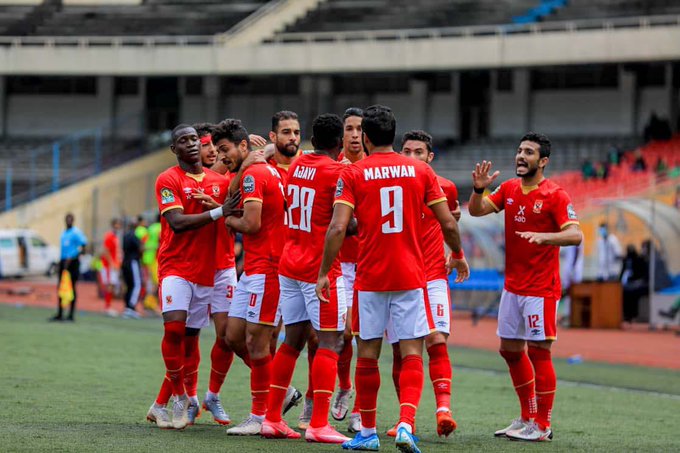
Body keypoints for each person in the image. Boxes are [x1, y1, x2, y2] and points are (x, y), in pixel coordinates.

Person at [316, 105, 469, 452]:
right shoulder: (420, 170)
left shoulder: (353, 173)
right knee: (413, 351)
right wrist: (458, 254)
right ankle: (405, 424)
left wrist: (324, 271)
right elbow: (448, 222)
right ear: (394, 136)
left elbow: (338, 227)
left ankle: (368, 432)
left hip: (370, 277)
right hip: (411, 275)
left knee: (368, 353)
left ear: (366, 138)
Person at [468, 132, 583, 442]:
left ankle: (542, 426)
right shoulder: (508, 188)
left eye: (529, 152)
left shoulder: (555, 195)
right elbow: (476, 210)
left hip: (541, 289)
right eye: (520, 150)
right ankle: (526, 417)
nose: (521, 156)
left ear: (543, 161)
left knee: (539, 352)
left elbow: (575, 235)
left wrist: (547, 237)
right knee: (509, 350)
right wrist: (478, 189)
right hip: (513, 286)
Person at [260, 113, 351, 443]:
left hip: (290, 264)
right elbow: (341, 225)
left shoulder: (298, 164)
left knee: (292, 341)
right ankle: (319, 424)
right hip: (318, 269)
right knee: (330, 342)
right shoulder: (337, 172)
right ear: (340, 141)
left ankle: (272, 418)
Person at [145, 124, 241, 430]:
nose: (193, 145)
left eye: (195, 140)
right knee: (175, 330)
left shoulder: (220, 182)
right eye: (184, 141)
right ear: (174, 149)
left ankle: (207, 396)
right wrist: (219, 212)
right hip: (176, 266)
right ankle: (180, 397)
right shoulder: (168, 179)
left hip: (212, 270)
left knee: (219, 337)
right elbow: (176, 222)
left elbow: (242, 207)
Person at [386, 129, 462, 438]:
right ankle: (407, 419)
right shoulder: (389, 185)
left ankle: (444, 410)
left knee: (436, 339)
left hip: (432, 275)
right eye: (407, 151)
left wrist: (458, 254)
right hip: (400, 278)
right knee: (400, 351)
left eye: (419, 152)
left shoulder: (446, 187)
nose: (412, 157)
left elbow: (450, 223)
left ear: (430, 156)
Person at [222, 119, 289, 436]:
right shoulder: (261, 170)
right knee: (233, 336)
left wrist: (228, 219)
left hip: (269, 268)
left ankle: (260, 415)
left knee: (257, 343)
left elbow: (251, 224)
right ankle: (280, 394)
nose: (222, 157)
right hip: (254, 268)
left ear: (243, 146)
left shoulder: (255, 174)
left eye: (225, 150)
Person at [331, 107, 364, 432]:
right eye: (349, 128)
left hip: (371, 263)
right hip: (339, 264)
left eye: (359, 129)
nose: (355, 134)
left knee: (365, 337)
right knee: (341, 334)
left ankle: (360, 409)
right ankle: (343, 386)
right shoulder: (333, 167)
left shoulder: (376, 167)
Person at [50, 213, 88, 322]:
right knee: (61, 288)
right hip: (63, 262)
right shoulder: (64, 233)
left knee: (72, 288)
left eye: (71, 219)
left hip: (73, 263)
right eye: (67, 219)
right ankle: (60, 314)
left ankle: (71, 315)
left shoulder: (76, 232)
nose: (69, 221)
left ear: (73, 221)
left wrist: (73, 256)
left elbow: (84, 247)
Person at [121, 221, 143, 319]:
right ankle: (131, 307)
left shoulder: (125, 236)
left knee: (129, 285)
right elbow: (140, 249)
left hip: (125, 262)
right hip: (133, 262)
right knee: (137, 284)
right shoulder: (134, 236)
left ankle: (127, 307)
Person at [100, 218, 121, 317]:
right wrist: (111, 263)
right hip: (109, 266)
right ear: (113, 225)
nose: (118, 226)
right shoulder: (109, 236)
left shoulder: (115, 237)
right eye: (117, 224)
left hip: (114, 265)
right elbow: (106, 250)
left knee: (111, 285)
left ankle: (108, 306)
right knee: (110, 285)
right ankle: (107, 307)